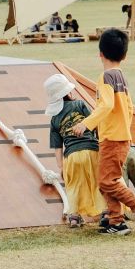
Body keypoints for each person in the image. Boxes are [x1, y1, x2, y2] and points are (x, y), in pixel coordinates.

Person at [70, 28, 135, 236]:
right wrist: (124, 128)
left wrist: (86, 124)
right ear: (124, 56)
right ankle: (116, 222)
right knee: (108, 180)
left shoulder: (106, 77)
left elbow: (106, 105)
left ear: (100, 53)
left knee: (107, 181)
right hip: (121, 136)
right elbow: (129, 107)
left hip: (112, 138)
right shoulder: (121, 76)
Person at [46, 73, 101, 227]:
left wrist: (61, 167)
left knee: (74, 186)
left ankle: (74, 217)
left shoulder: (54, 119)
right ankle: (104, 213)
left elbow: (57, 147)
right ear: (68, 92)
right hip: (92, 150)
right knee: (96, 182)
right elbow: (94, 124)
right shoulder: (79, 105)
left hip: (71, 156)